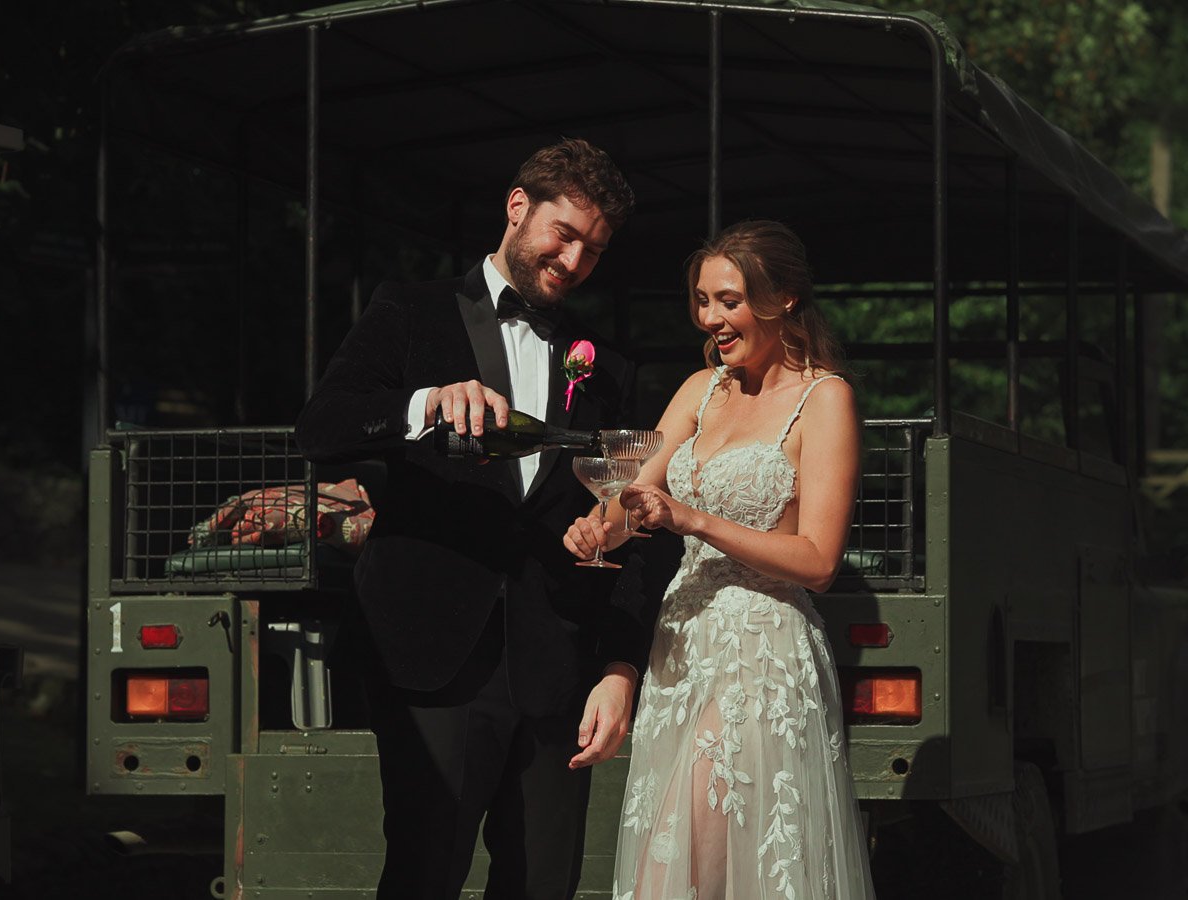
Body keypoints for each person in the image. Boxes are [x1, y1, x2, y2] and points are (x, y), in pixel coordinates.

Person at [295, 138, 668, 900]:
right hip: (429, 656)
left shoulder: (609, 369)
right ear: (517, 205)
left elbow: (640, 537)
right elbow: (319, 429)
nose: (572, 261)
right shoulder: (410, 308)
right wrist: (421, 407)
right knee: (425, 877)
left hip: (558, 663)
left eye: (593, 251)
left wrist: (621, 666)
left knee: (544, 886)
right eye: (563, 235)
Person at [565, 220, 876, 899]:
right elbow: (635, 494)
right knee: (677, 860)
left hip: (760, 655)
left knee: (688, 858)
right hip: (680, 650)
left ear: (784, 297)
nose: (711, 318)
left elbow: (819, 559)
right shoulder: (699, 391)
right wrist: (599, 529)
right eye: (702, 301)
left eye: (729, 300)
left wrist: (693, 518)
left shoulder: (825, 400)